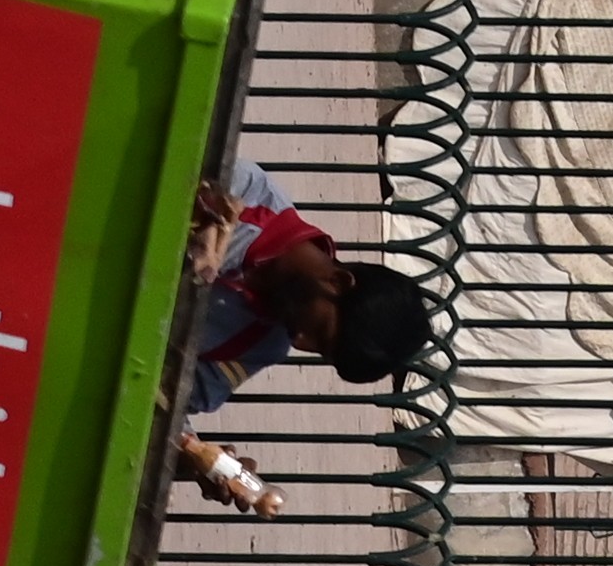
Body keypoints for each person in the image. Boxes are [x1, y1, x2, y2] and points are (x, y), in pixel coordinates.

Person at [185, 152, 434, 416]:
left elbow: (168, 404)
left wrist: (205, 456)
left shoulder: (265, 346)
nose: (300, 342)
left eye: (318, 351)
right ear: (338, 281)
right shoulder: (242, 189)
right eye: (319, 332)